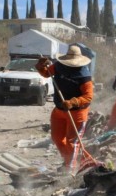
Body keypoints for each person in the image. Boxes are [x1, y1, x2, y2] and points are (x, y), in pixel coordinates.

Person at [35, 44, 93, 172]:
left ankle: (69, 170)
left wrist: (73, 102)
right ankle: (69, 161)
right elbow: (46, 73)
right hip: (60, 109)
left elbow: (88, 96)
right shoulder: (59, 65)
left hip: (77, 112)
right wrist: (40, 66)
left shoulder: (83, 74)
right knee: (57, 138)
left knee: (72, 142)